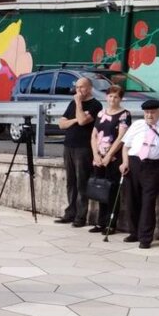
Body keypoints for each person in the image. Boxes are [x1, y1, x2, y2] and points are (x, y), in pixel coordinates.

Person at [118, 99, 159, 248]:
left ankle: (145, 238)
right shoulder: (137, 124)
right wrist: (125, 162)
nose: (149, 115)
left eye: (152, 112)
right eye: (146, 113)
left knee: (148, 201)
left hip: (154, 166)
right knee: (132, 199)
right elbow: (126, 146)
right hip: (134, 163)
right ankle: (134, 232)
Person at [55, 77, 101, 226]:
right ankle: (70, 212)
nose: (78, 90)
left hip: (83, 147)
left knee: (81, 181)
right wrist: (74, 119)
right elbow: (61, 124)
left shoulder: (95, 105)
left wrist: (79, 105)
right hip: (69, 145)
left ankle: (81, 216)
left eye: (81, 87)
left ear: (89, 88)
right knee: (70, 181)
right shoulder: (72, 103)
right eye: (77, 87)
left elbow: (82, 121)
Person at [89, 85, 130, 233]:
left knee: (112, 191)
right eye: (110, 96)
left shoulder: (124, 114)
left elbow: (121, 137)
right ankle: (100, 222)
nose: (112, 99)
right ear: (106, 97)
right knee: (100, 189)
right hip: (98, 157)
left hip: (112, 158)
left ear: (120, 98)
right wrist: (95, 154)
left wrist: (109, 156)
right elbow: (94, 135)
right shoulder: (101, 113)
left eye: (116, 97)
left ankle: (110, 224)